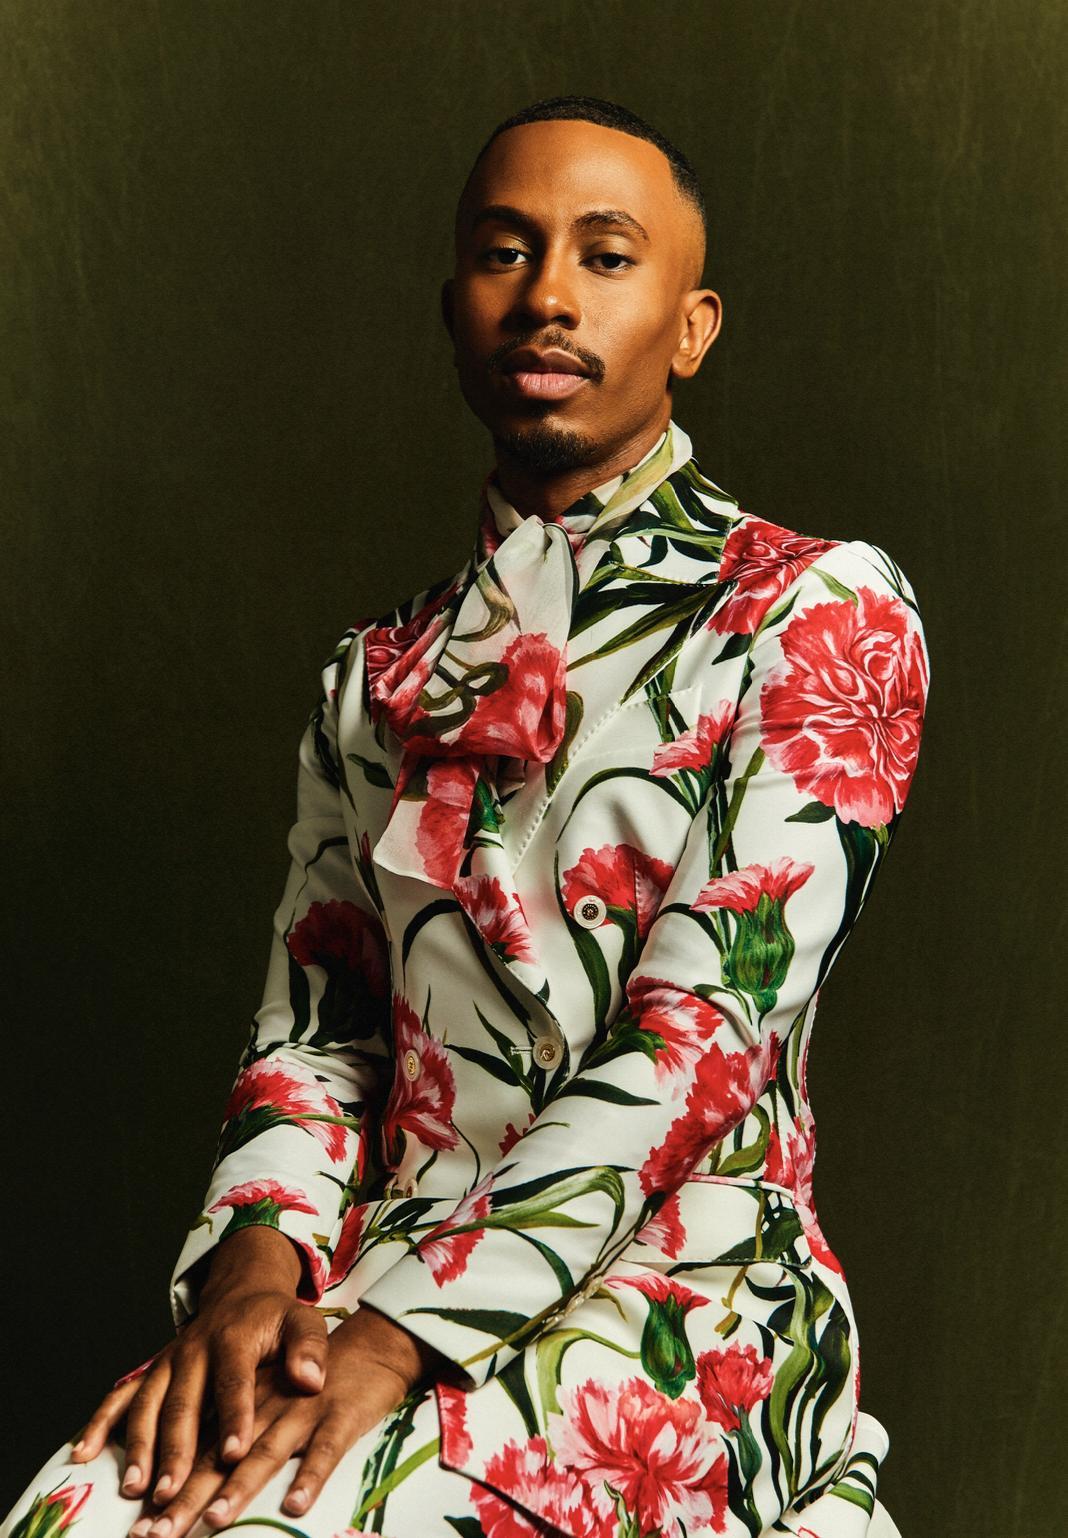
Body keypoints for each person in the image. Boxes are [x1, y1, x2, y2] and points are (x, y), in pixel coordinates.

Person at [3, 96, 928, 1538]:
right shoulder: (373, 676)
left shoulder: (817, 611)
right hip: (371, 1268)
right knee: (81, 1511)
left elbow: (699, 1043)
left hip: (682, 1290)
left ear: (692, 327)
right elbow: (320, 1038)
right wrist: (253, 1277)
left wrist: (404, 1336)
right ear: (454, 312)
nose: (548, 295)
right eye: (506, 252)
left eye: (605, 257)